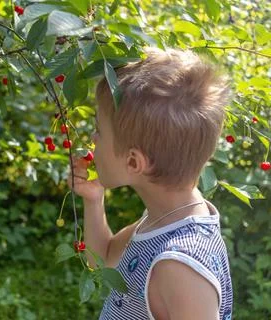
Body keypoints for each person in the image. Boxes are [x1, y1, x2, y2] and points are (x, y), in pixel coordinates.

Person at [68, 48, 233, 320]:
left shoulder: (180, 265)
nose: (92, 139)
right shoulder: (166, 219)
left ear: (134, 162)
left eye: (98, 130)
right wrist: (93, 199)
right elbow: (104, 258)